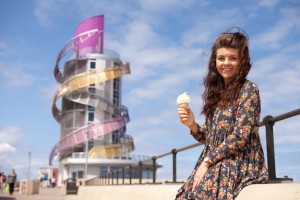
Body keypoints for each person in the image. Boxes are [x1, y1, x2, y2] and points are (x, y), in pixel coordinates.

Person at [176, 27, 269, 200]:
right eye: (221, 58)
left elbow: (241, 135)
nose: (226, 63)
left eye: (232, 58)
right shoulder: (216, 94)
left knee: (203, 190)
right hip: (216, 161)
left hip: (241, 160)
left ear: (242, 61)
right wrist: (192, 125)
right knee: (186, 194)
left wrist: (207, 162)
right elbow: (211, 139)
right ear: (215, 62)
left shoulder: (248, 89)